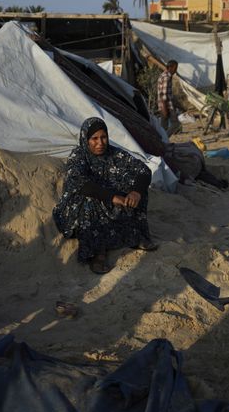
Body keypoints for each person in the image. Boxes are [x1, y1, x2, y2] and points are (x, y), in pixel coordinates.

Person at [53, 117, 158, 274]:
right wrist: (111, 197)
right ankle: (97, 254)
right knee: (90, 200)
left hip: (110, 200)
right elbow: (79, 182)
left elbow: (143, 170)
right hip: (78, 208)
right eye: (94, 139)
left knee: (136, 187)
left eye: (103, 137)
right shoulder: (79, 155)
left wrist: (136, 191)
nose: (100, 143)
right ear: (86, 139)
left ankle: (135, 235)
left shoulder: (114, 154)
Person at [156, 60, 181, 136]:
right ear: (170, 67)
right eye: (175, 68)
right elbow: (164, 95)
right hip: (167, 105)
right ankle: (164, 139)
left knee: (164, 126)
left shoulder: (163, 75)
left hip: (163, 105)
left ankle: (162, 141)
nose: (175, 70)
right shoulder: (167, 77)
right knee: (176, 124)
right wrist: (164, 108)